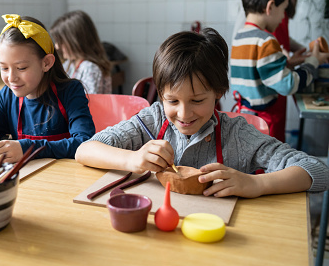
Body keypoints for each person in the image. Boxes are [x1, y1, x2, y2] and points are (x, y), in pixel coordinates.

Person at [75, 28, 329, 198]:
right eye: (172, 100)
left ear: (218, 92)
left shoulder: (236, 135)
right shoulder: (152, 121)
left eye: (197, 100)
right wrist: (133, 159)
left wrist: (255, 184)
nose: (184, 113)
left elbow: (317, 171)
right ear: (161, 95)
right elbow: (84, 150)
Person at [0, 14, 95, 163]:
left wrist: (28, 149)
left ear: (46, 63)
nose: (11, 78)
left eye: (21, 68)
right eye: (4, 68)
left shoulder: (70, 91)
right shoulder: (7, 96)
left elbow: (85, 143)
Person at [231, 0, 325, 142]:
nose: (283, 16)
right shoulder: (266, 41)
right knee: (268, 167)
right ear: (270, 7)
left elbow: (260, 74)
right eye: (283, 10)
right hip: (264, 123)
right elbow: (287, 85)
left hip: (243, 116)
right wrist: (313, 62)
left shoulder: (240, 37)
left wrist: (287, 63)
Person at [50, 10, 112, 94]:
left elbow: (88, 102)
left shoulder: (90, 68)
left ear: (75, 41)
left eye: (60, 41)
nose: (57, 46)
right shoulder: (70, 64)